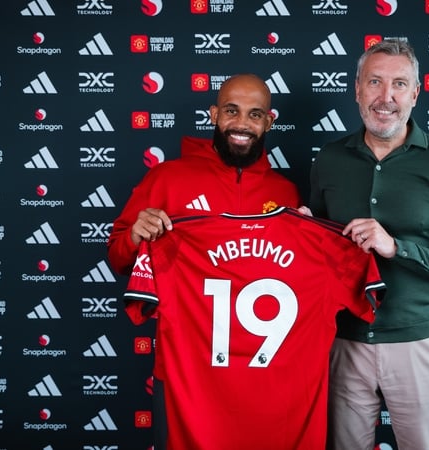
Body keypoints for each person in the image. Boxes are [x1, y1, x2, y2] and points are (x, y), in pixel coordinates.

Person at [107, 73, 300, 449]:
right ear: (213, 114)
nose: (242, 123)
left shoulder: (286, 193)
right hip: (185, 373)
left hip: (260, 376)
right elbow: (117, 257)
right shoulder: (167, 178)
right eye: (231, 111)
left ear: (269, 122)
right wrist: (134, 236)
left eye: (255, 114)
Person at [308, 39, 429, 450]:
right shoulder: (329, 159)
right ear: (357, 89)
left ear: (415, 94)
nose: (386, 97)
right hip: (345, 341)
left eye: (399, 84)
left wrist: (395, 247)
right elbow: (319, 250)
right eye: (375, 82)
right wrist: (303, 231)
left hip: (417, 343)